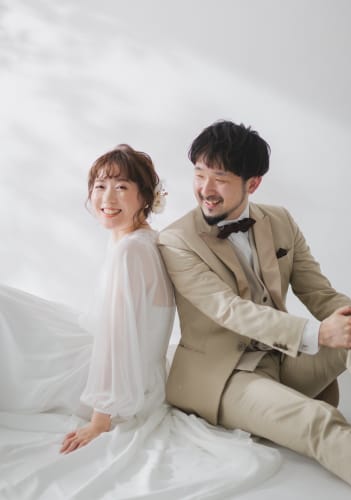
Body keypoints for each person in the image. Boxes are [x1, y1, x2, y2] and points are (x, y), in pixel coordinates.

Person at [0, 144, 280, 499]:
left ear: (145, 196)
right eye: (100, 186)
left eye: (121, 187)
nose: (107, 198)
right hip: (137, 370)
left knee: (8, 318)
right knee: (15, 308)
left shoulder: (131, 251)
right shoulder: (141, 239)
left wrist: (100, 420)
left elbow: (119, 339)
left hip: (117, 379)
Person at [158, 120, 351, 500]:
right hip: (225, 378)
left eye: (220, 178)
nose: (205, 189)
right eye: (200, 174)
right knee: (318, 420)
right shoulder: (176, 240)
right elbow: (230, 310)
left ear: (252, 183)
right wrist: (321, 333)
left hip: (283, 360)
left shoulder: (280, 220)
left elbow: (319, 293)